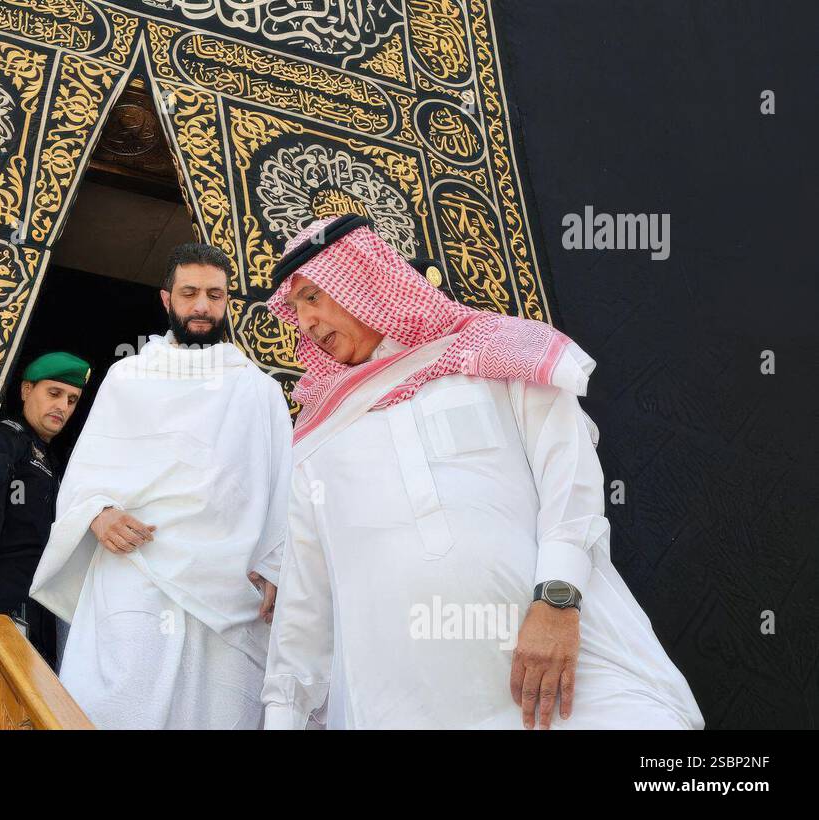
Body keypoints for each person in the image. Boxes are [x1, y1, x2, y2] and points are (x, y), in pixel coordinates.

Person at [260, 214, 704, 730]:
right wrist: (282, 716)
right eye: (294, 309)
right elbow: (306, 600)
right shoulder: (317, 436)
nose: (306, 322)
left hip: (558, 673)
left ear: (363, 278)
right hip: (407, 708)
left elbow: (571, 482)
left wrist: (557, 602)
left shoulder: (496, 356)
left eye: (313, 296)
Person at [30, 243, 292, 729]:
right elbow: (86, 473)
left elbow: (283, 485)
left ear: (227, 302)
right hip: (134, 573)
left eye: (215, 295)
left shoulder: (258, 390)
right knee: (118, 707)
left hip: (230, 590)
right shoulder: (127, 376)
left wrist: (277, 563)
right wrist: (99, 514)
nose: (201, 306)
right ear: (165, 299)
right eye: (189, 292)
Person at [0, 351, 90, 667]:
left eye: (72, 399)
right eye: (54, 393)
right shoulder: (7, 438)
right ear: (27, 390)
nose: (62, 407)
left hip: (36, 610)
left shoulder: (54, 461)